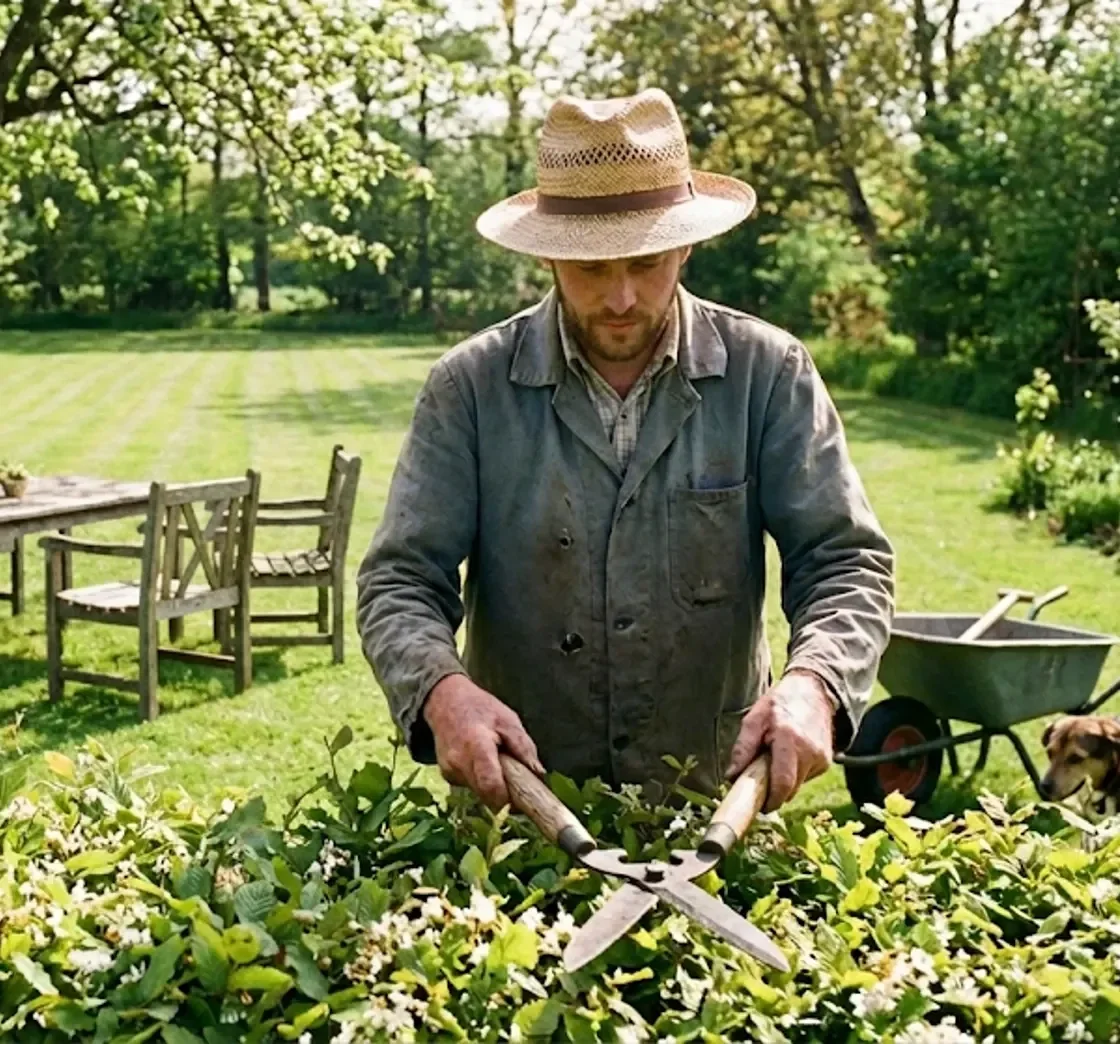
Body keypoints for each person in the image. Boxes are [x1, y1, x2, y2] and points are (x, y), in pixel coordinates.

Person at [356, 88, 894, 814]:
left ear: (686, 244)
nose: (620, 298)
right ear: (548, 255)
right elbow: (400, 580)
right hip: (521, 814)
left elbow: (843, 561)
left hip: (711, 809)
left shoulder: (768, 374)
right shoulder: (470, 389)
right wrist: (443, 693)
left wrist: (816, 682)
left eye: (646, 264)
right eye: (591, 269)